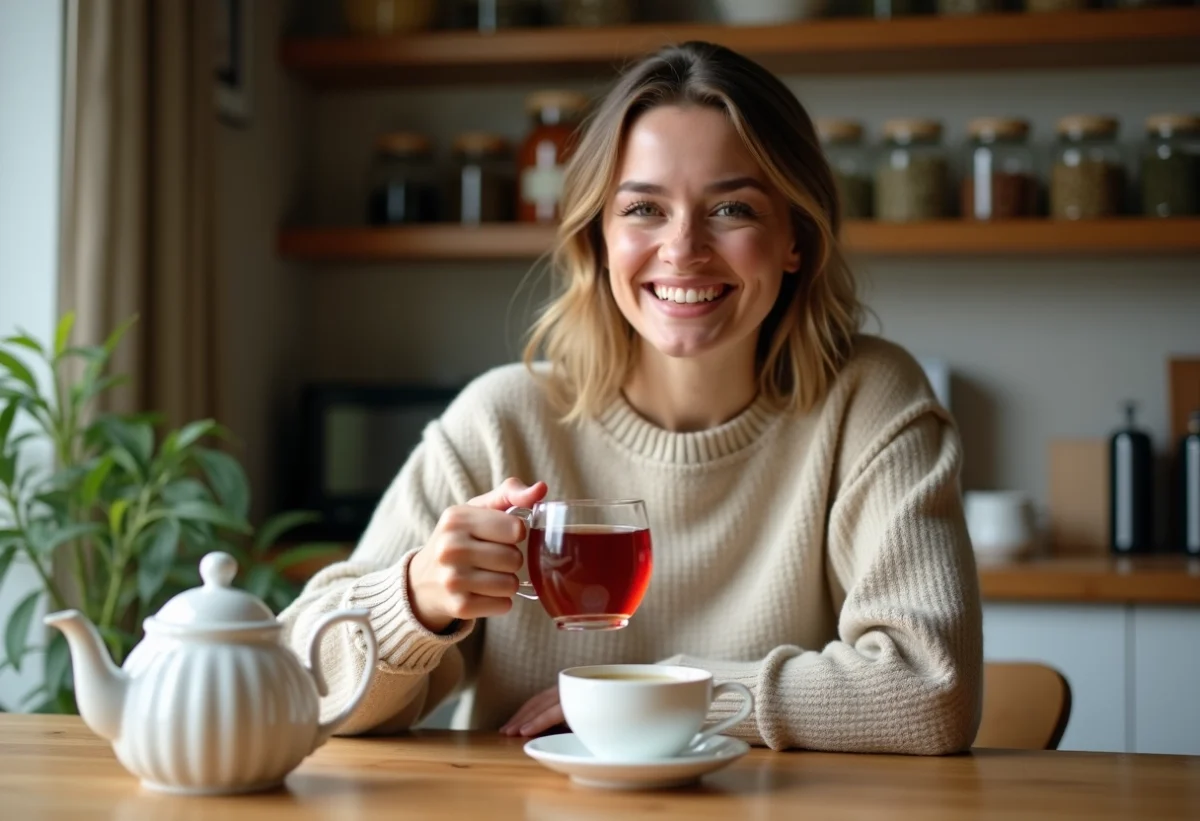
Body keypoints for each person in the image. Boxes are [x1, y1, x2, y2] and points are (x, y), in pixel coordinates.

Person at [279, 40, 982, 755]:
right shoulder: (501, 419)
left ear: (795, 237)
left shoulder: (869, 401)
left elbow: (930, 691)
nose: (683, 249)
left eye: (732, 207)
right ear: (600, 237)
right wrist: (416, 599)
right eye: (644, 208)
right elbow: (298, 686)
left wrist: (670, 690)